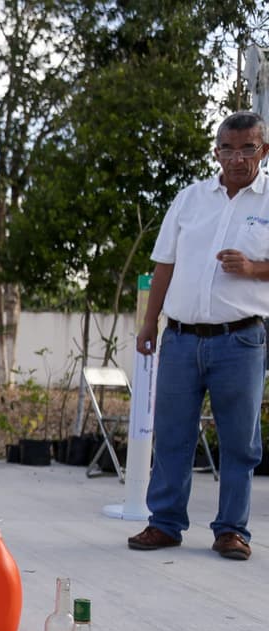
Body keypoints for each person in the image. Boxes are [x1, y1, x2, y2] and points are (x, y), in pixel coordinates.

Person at [127, 111, 269, 561]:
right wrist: (150, 323)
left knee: (239, 441)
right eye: (228, 148)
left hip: (241, 340)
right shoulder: (189, 199)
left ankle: (231, 530)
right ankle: (165, 523)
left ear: (263, 150)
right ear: (217, 152)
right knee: (171, 433)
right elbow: (164, 264)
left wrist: (252, 269)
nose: (237, 157)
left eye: (248, 148)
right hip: (182, 339)